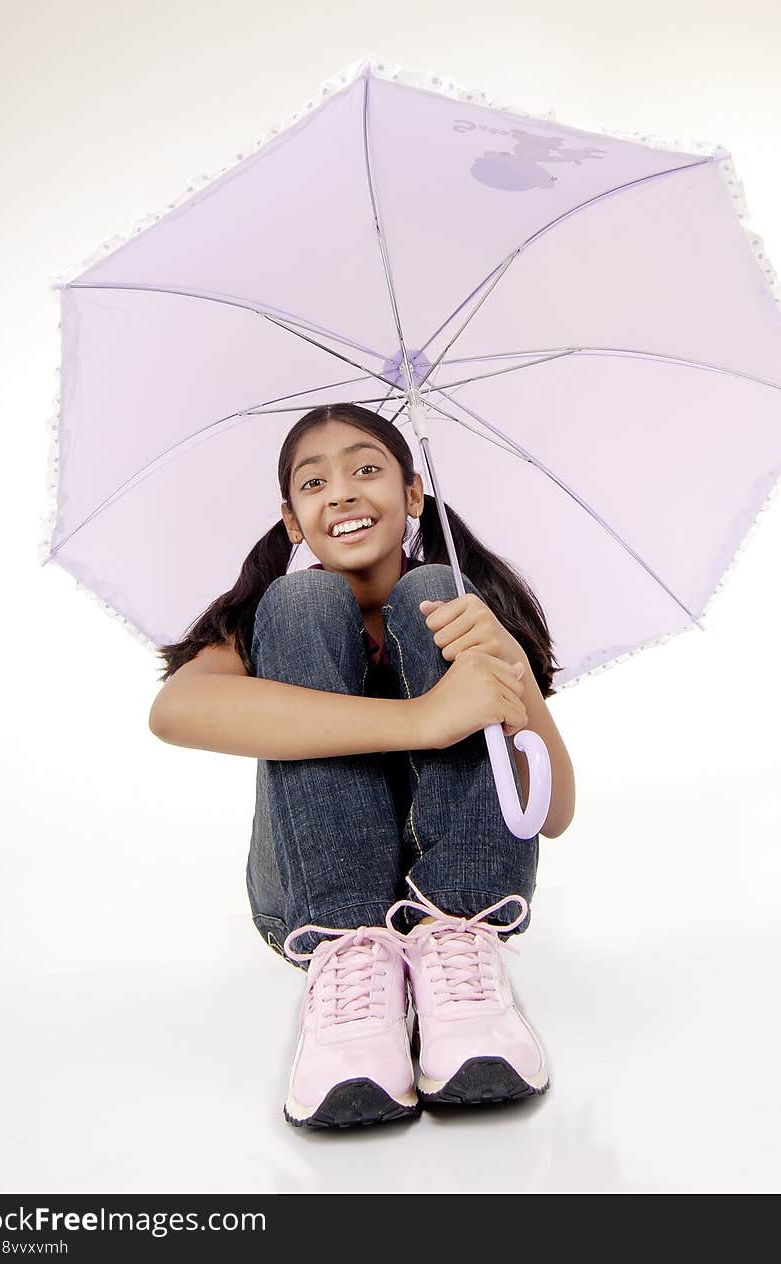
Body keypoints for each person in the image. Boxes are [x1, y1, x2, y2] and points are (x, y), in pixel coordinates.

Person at [149, 402, 576, 1130]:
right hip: (312, 889)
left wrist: (508, 664)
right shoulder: (266, 617)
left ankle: (458, 960)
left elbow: (555, 812)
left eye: (367, 470)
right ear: (293, 521)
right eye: (314, 485)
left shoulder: (463, 608)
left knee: (434, 589)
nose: (341, 493)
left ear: (413, 494)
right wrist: (422, 719)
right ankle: (349, 966)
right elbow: (172, 712)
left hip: (462, 881)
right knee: (304, 597)